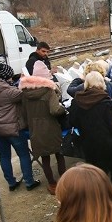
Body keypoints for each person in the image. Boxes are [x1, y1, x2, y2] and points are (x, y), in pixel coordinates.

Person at [0, 63, 41, 191]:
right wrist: (23, 80)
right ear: (6, 77)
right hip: (13, 128)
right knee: (23, 154)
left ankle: (11, 183)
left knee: (4, 156)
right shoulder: (10, 92)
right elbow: (25, 94)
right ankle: (29, 182)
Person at [68, 72, 112, 191]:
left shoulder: (77, 101)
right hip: (109, 142)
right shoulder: (105, 100)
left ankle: (101, 196)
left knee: (97, 172)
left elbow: (72, 122)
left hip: (89, 142)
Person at [20, 61, 67, 194]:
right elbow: (55, 110)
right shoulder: (48, 90)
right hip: (51, 127)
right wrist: (63, 109)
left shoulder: (25, 92)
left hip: (35, 129)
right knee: (59, 154)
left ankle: (52, 184)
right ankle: (64, 181)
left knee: (45, 158)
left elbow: (23, 113)